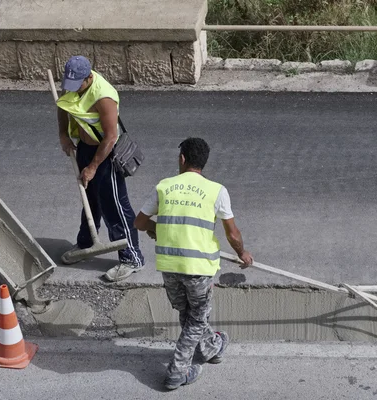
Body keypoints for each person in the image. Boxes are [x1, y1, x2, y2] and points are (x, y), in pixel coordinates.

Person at [134, 137, 253, 390]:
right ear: (203, 163)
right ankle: (177, 370)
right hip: (198, 270)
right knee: (197, 318)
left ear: (182, 159)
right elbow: (232, 234)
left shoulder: (164, 187)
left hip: (169, 268)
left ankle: (212, 348)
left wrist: (159, 228)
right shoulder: (216, 191)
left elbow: (140, 223)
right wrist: (242, 253)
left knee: (188, 315)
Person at [56, 55, 144, 282]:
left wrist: (93, 166)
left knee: (115, 206)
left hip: (105, 155)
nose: (71, 89)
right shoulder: (72, 85)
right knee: (89, 202)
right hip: (85, 148)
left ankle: (132, 257)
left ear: (89, 78)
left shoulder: (103, 96)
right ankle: (85, 244)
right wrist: (64, 135)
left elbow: (111, 137)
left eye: (77, 86)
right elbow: (63, 105)